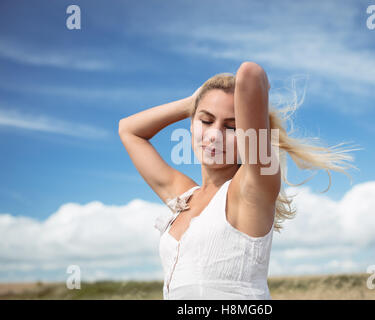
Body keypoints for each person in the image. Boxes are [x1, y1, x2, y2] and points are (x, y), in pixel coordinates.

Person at [118, 61, 358, 299]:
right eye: (206, 121)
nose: (214, 135)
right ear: (191, 124)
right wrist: (192, 103)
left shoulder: (251, 188)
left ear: (247, 136)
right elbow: (128, 130)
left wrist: (219, 106)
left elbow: (251, 74)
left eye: (231, 127)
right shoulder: (185, 197)